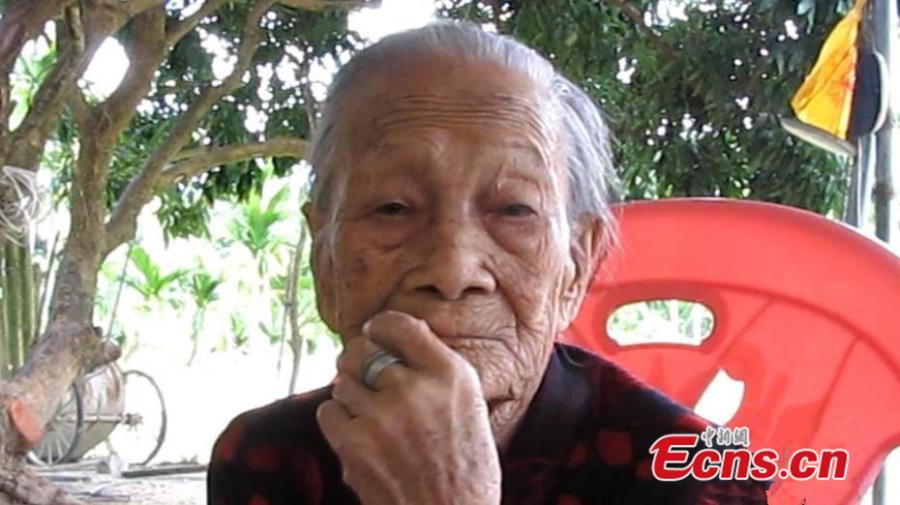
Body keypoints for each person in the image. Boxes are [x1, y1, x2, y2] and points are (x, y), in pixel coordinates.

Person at [207, 22, 769, 505]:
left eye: (514, 210)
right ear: (324, 259)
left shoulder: (697, 473)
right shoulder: (267, 459)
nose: (453, 271)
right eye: (393, 208)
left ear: (577, 265)